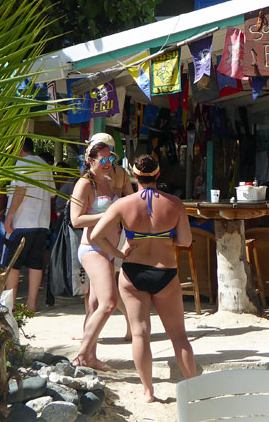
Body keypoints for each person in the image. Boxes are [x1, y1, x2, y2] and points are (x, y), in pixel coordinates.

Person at [90, 155, 197, 402]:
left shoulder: (123, 204)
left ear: (134, 176)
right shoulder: (174, 203)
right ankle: (193, 387)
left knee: (140, 333)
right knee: (179, 336)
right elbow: (185, 241)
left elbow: (96, 235)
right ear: (158, 175)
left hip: (133, 271)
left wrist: (119, 253)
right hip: (165, 271)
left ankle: (148, 391)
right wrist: (164, 237)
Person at [71, 134, 133, 370]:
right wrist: (107, 216)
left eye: (110, 158)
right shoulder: (85, 184)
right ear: (90, 160)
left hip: (110, 248)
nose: (107, 163)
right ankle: (83, 355)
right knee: (109, 303)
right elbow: (76, 220)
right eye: (103, 159)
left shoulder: (109, 180)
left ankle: (91, 357)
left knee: (96, 306)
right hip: (93, 249)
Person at [2, 137, 54, 311]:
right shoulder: (44, 165)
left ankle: (11, 303)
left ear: (19, 148)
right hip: (42, 221)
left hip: (23, 221)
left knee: (13, 264)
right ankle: (31, 304)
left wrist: (9, 216)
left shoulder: (22, 163)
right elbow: (52, 193)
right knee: (35, 263)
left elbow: (20, 190)